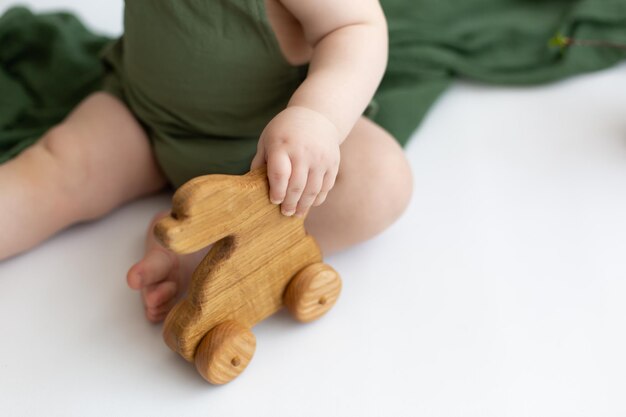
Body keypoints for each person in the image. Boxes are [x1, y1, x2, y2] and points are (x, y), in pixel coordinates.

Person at [0, 0, 413, 322]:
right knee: (60, 167)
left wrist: (317, 117)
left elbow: (354, 28)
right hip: (145, 120)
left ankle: (201, 250)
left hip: (273, 155)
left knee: (380, 181)